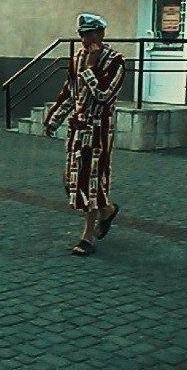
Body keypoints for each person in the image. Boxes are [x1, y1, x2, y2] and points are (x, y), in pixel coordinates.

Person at [43, 14, 126, 256]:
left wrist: (91, 68)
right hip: (77, 130)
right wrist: (52, 120)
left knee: (91, 182)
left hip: (99, 131)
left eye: (89, 34)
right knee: (70, 180)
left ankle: (87, 236)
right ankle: (107, 210)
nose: (85, 40)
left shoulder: (116, 61)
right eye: (81, 34)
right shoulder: (76, 58)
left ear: (101, 34)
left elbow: (104, 94)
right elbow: (70, 93)